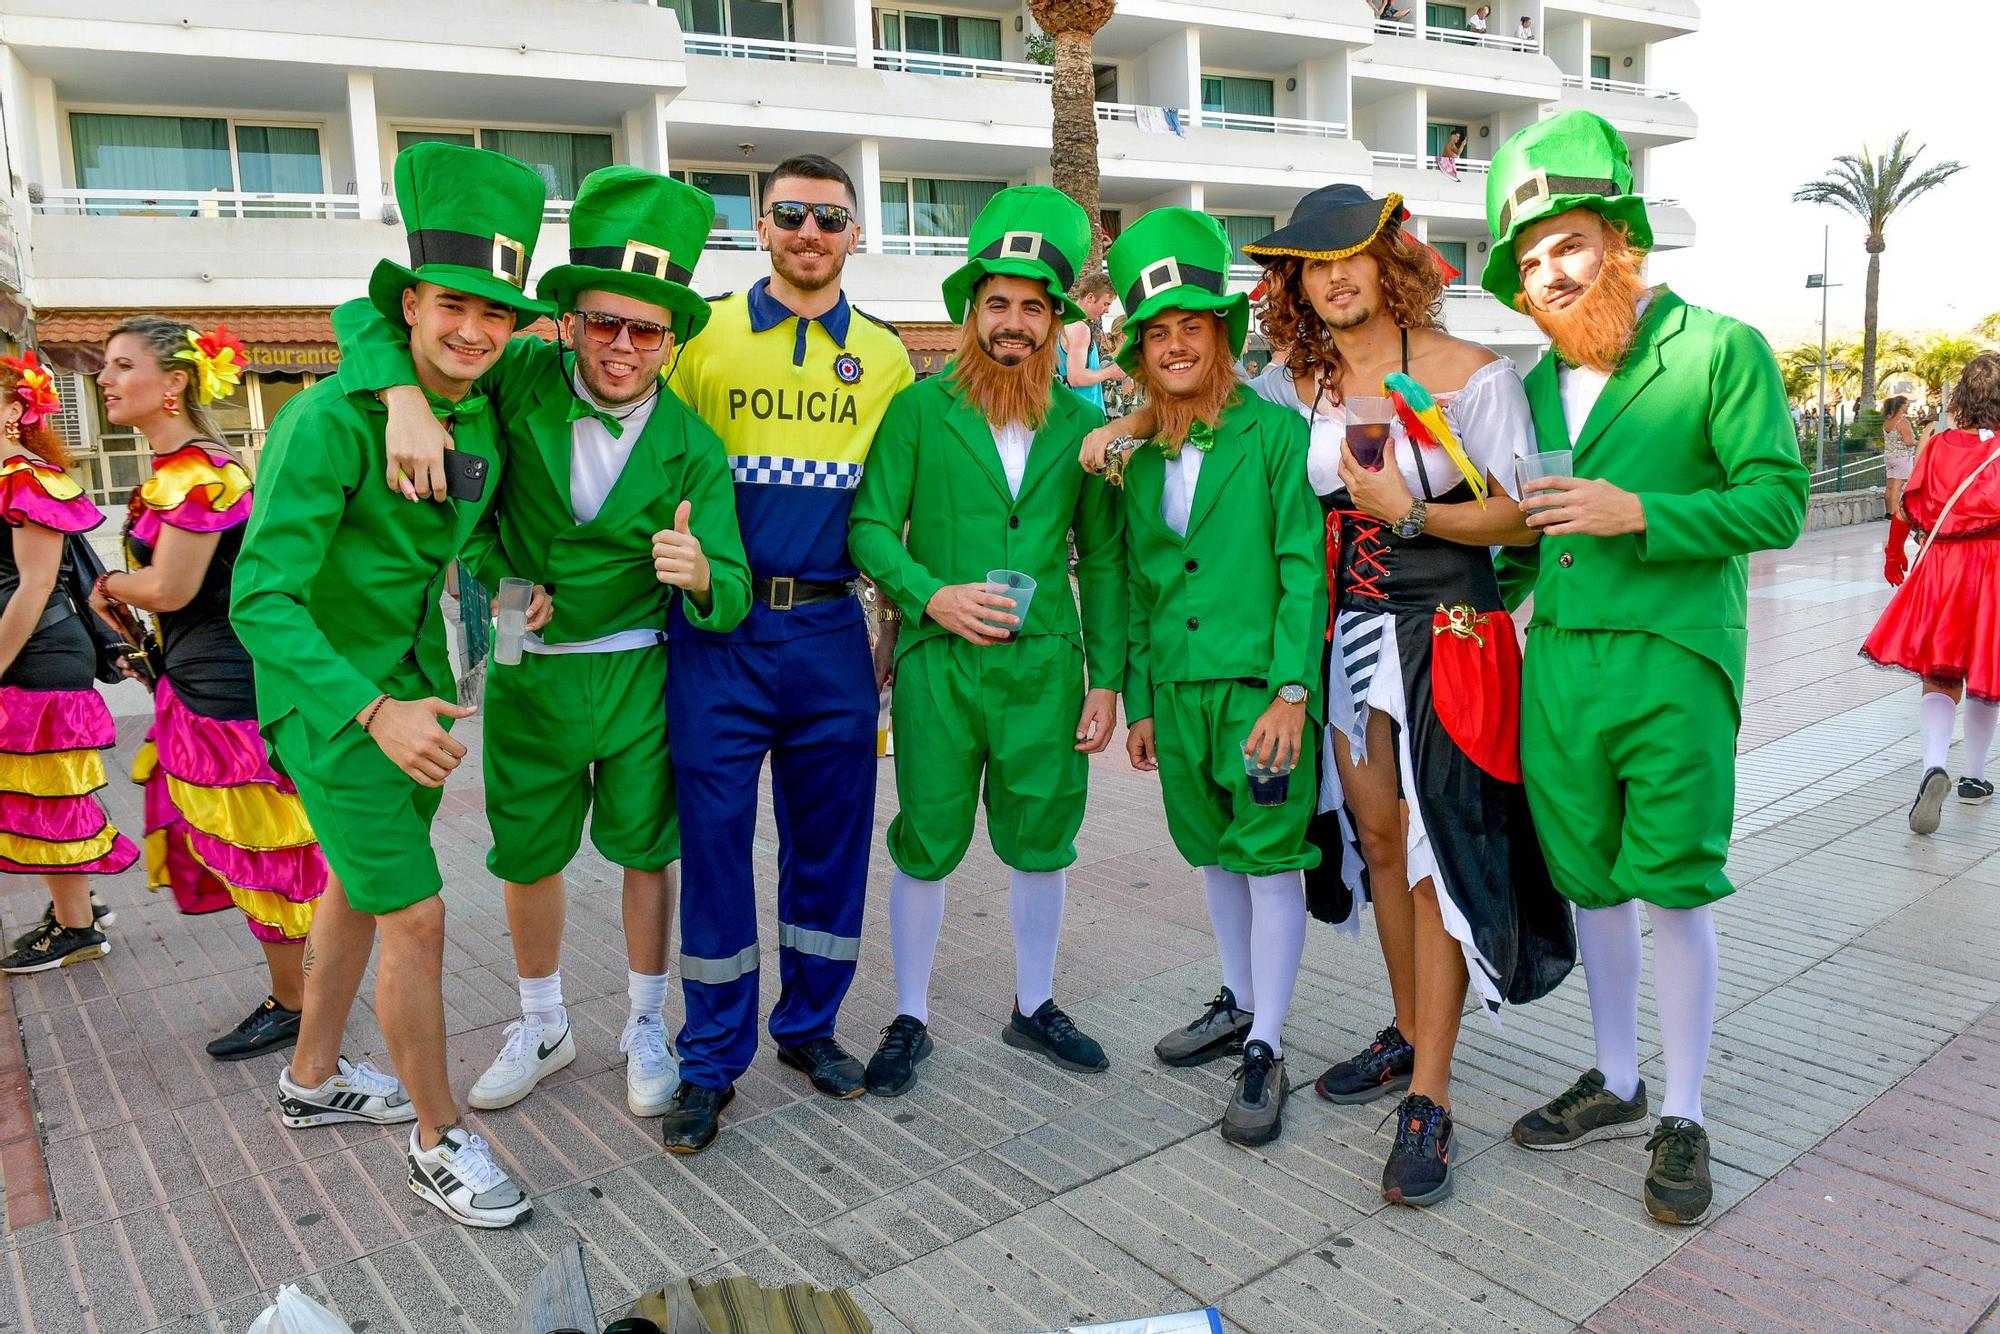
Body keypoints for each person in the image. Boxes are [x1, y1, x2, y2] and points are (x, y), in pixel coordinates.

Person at [333, 167, 752, 1120]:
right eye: (603, 321)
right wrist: (402, 398)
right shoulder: (515, 373)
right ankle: (542, 1020)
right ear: (565, 320)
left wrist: (700, 575)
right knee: (527, 855)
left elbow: (729, 590)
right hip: (528, 671)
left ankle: (647, 1021)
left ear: (672, 339)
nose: (622, 346)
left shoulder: (692, 443)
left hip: (642, 674)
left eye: (646, 329)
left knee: (648, 852)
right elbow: (367, 317)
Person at [1481, 111, 1807, 1226]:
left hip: (1673, 657)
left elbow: (1777, 501)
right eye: (1527, 262)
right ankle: (1614, 1079)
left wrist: (1638, 512)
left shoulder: (1719, 347)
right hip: (1560, 664)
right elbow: (1532, 536)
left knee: (1670, 881)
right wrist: (1477, 606)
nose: (1549, 272)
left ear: (1619, 238)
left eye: (1566, 243)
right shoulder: (1528, 386)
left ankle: (1682, 1105)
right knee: (1590, 883)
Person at [232, 142, 554, 1229]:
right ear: (409, 299)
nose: (473, 330)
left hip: (416, 698)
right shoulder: (327, 421)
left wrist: (510, 588)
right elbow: (259, 602)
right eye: (453, 305)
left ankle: (311, 1079)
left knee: (358, 889)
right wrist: (370, 708)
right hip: (340, 709)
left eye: (496, 315)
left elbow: (449, 542)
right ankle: (434, 1136)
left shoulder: (470, 407)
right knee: (415, 911)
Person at [1239, 186, 1574, 1206]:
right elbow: (1213, 436)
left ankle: (1429, 1090)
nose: (1333, 275)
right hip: (1345, 637)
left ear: (1391, 262)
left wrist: (1414, 512)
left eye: (1351, 255)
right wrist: (1118, 431)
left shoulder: (1470, 375)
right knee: (1379, 842)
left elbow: (1523, 519)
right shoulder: (1291, 383)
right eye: (1312, 262)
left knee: (1436, 860)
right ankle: (1403, 1026)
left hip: (1450, 636)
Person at [659, 153, 915, 1152]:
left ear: (856, 232)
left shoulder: (889, 358)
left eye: (831, 217)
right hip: (716, 631)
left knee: (830, 848)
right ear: (759, 225)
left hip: (826, 632)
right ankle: (707, 1061)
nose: (811, 232)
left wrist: (893, 616)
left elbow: (894, 507)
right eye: (792, 215)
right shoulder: (701, 332)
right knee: (717, 851)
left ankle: (807, 1027)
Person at [849, 186, 1124, 1097]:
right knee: (925, 836)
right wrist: (933, 597)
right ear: (971, 312)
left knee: (1043, 837)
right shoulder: (920, 413)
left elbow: (1109, 560)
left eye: (1033, 308)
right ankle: (913, 1014)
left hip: (1046, 667)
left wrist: (1107, 680)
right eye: (998, 304)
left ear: (1055, 323)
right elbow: (872, 529)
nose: (1014, 323)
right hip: (939, 666)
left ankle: (1033, 1004)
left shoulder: (1085, 428)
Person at [1104, 208, 1326, 1147]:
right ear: (1142, 354)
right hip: (1181, 697)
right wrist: (1144, 703)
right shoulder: (1141, 458)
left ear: (1221, 338)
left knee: (1271, 862)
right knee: (1213, 853)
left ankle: (1268, 1046)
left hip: (1257, 696)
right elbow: (1140, 582)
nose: (1177, 345)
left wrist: (1289, 692)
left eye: (1192, 326)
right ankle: (1237, 1000)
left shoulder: (1272, 437)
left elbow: (1301, 567)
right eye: (1159, 333)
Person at [87, 318, 328, 1058]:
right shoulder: (179, 471)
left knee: (272, 858)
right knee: (258, 858)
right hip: (201, 685)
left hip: (229, 697)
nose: (104, 380)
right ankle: (301, 994)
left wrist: (107, 583)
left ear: (175, 383)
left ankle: (302, 1002)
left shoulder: (199, 474)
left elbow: (170, 585)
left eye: (121, 366)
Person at [0, 352, 139, 974]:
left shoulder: (27, 479)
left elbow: (34, 586)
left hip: (38, 654)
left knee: (50, 790)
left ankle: (77, 928)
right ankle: (75, 901)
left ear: (13, 410)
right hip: (25, 653)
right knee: (37, 787)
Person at [1863, 354, 2000, 829]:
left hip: (1944, 568)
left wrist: (1893, 552)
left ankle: (1933, 766)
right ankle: (1975, 777)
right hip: (1994, 568)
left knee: (1940, 674)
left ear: (1962, 395)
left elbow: (1909, 506)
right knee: (1985, 671)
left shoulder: (1938, 444)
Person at [1059, 272, 1127, 420]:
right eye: (1106, 303)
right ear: (1090, 297)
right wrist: (1110, 372)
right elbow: (1075, 377)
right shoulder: (1080, 329)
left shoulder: (1063, 326)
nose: (1107, 310)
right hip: (1085, 415)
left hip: (1068, 413)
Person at [1882, 394, 1917, 586]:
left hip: (1889, 456)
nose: (1908, 408)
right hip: (1903, 456)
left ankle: (1889, 511)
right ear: (1901, 406)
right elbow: (1909, 441)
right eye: (1907, 405)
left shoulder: (1888, 422)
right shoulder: (1903, 422)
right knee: (1899, 486)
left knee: (1890, 485)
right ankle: (1896, 514)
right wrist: (1923, 443)